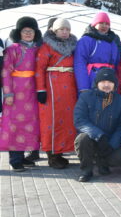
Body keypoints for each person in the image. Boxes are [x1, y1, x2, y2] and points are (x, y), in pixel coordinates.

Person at [0, 17, 42, 171]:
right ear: (19, 33)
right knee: (15, 125)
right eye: (25, 31)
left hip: (31, 91)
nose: (28, 33)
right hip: (16, 92)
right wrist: (8, 94)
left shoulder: (37, 49)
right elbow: (5, 72)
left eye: (31, 31)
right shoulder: (13, 49)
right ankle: (15, 159)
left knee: (29, 124)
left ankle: (23, 156)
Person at [35, 18, 78, 169]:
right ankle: (52, 155)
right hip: (52, 87)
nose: (65, 32)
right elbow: (39, 69)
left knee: (67, 120)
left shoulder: (74, 46)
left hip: (70, 87)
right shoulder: (46, 47)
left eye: (67, 29)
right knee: (51, 120)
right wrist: (41, 89)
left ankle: (61, 151)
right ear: (55, 30)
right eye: (61, 29)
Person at [74, 68, 121, 182]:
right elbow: (80, 120)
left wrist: (112, 144)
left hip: (108, 141)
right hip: (91, 138)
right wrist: (98, 135)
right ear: (97, 83)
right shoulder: (86, 97)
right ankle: (86, 170)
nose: (106, 85)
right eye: (103, 82)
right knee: (82, 139)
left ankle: (102, 162)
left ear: (115, 84)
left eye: (110, 82)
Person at [25, 16, 57, 163]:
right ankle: (34, 149)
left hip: (42, 83)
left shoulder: (54, 44)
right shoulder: (40, 42)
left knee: (42, 119)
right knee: (33, 119)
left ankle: (48, 148)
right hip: (27, 84)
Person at [74, 11, 121, 93]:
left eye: (107, 24)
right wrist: (83, 87)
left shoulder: (113, 42)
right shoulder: (86, 40)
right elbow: (79, 63)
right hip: (92, 79)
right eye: (101, 23)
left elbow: (117, 64)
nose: (104, 26)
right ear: (94, 24)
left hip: (110, 80)